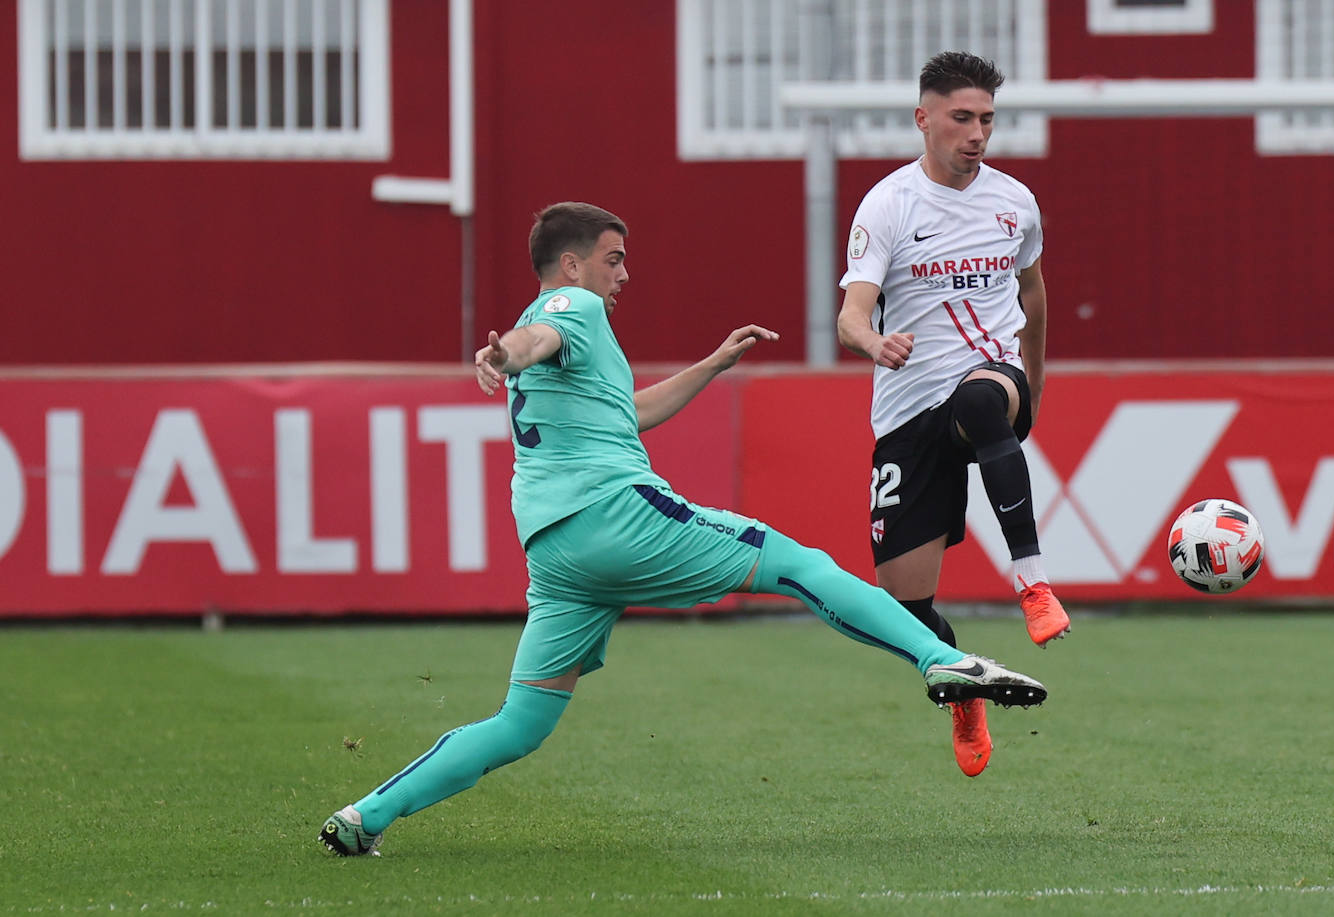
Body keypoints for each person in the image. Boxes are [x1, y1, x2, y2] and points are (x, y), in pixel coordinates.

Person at [318, 201, 1048, 856]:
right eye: (615, 257)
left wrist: (713, 363)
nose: (625, 273)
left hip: (557, 554)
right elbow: (533, 337)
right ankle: (939, 659)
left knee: (521, 723)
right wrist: (503, 352)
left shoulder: (571, 337)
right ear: (571, 264)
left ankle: (365, 814)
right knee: (797, 562)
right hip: (617, 516)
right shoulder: (572, 305)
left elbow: (627, 413)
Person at [836, 51, 1070, 779]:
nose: (977, 133)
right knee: (904, 610)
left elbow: (1033, 295)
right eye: (962, 118)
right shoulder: (889, 205)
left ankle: (1032, 584)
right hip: (908, 409)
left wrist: (1028, 384)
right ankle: (961, 684)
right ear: (924, 119)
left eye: (987, 120)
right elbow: (850, 315)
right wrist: (877, 341)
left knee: (979, 397)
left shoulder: (1014, 201)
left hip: (986, 380)